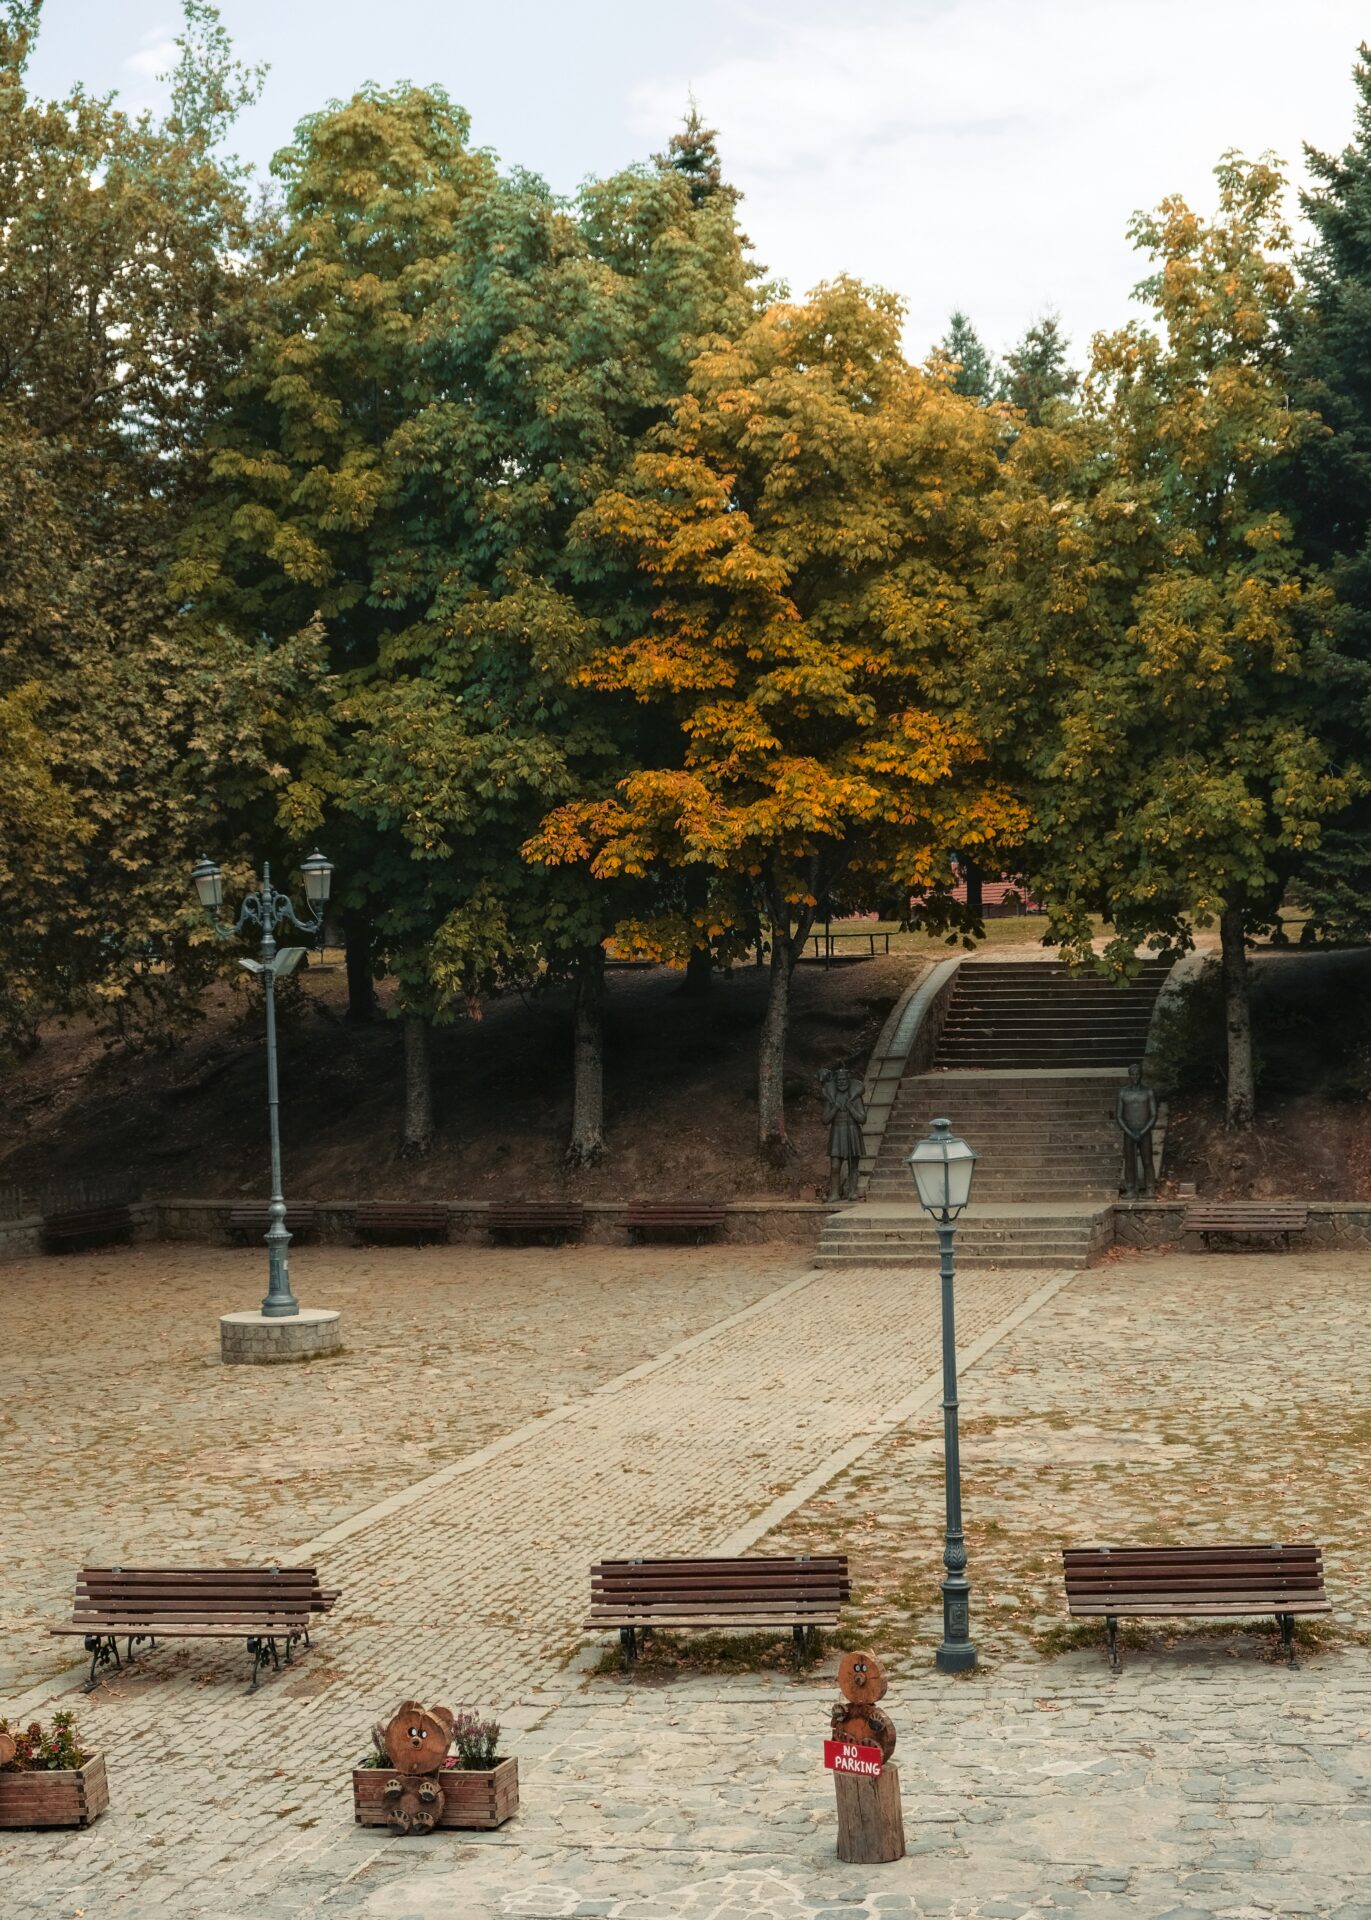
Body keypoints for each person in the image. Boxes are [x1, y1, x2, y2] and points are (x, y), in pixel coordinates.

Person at [820, 1065, 867, 1201]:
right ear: (835, 1081)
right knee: (835, 1166)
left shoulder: (856, 1097)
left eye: (844, 1080)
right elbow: (825, 1120)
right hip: (837, 1132)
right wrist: (835, 1108)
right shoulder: (831, 1097)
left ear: (848, 1080)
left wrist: (850, 1107)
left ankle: (851, 1192)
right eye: (839, 1080)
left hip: (852, 1132)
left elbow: (862, 1119)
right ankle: (834, 1193)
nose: (841, 1082)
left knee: (853, 1165)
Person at [1115, 1061, 1158, 1197]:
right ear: (1129, 1076)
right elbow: (1119, 1116)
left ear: (1141, 1075)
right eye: (1133, 1075)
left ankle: (1150, 1188)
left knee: (1147, 1161)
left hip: (1144, 1131)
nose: (1135, 1077)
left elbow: (1153, 1114)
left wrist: (1143, 1131)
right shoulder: (1123, 1092)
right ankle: (1131, 1189)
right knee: (1129, 1163)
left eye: (1137, 1074)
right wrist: (1129, 1132)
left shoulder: (1148, 1092)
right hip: (1129, 1131)